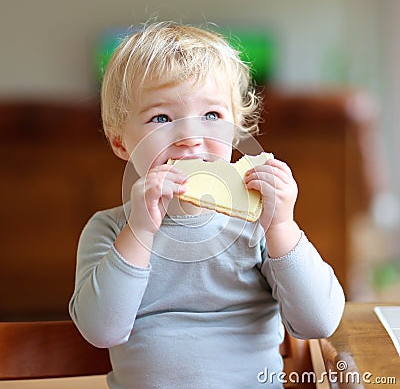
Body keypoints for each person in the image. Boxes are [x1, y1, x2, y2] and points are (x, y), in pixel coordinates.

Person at [69, 21, 345, 389]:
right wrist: (139, 231)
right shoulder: (108, 231)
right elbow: (102, 330)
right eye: (161, 118)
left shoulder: (257, 224)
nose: (190, 138)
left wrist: (281, 228)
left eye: (211, 115)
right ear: (121, 143)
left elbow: (319, 322)